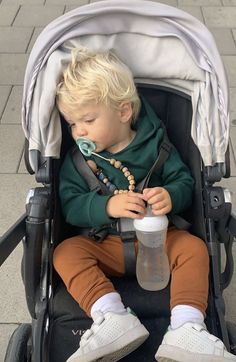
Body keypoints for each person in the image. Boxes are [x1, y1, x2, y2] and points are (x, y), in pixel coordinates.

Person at [53, 47, 236, 362]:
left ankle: (187, 329)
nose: (78, 132)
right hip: (103, 241)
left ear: (123, 113)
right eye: (72, 124)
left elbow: (184, 183)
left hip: (159, 241)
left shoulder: (158, 145)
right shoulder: (79, 161)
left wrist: (170, 195)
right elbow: (70, 205)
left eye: (87, 120)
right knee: (65, 252)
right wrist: (106, 207)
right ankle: (112, 318)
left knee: (192, 249)